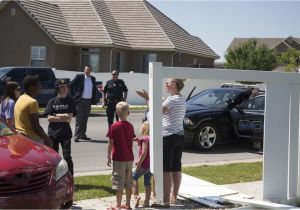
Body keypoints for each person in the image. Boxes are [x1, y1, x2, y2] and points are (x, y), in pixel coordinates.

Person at [136, 78, 187, 207]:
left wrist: (147, 98)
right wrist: (149, 99)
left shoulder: (171, 100)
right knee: (176, 168)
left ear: (174, 85)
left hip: (168, 136)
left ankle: (164, 202)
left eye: (168, 83)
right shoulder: (182, 99)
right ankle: (173, 196)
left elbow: (154, 114)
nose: (166, 84)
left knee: (166, 170)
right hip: (180, 136)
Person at [107, 101, 136, 209]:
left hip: (118, 158)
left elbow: (110, 143)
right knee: (128, 182)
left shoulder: (114, 126)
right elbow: (132, 141)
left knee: (119, 182)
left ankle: (118, 204)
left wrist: (108, 156)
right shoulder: (130, 126)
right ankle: (128, 204)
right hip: (129, 157)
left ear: (116, 113)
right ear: (128, 113)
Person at [44, 79, 76, 175]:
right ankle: (55, 178)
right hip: (53, 133)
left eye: (66, 86)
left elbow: (69, 118)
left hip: (65, 133)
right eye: (63, 87)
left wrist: (55, 114)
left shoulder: (70, 101)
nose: (66, 88)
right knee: (54, 157)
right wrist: (63, 116)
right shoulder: (52, 101)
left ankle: (71, 178)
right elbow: (49, 118)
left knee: (67, 156)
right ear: (58, 89)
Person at [14, 75, 52, 147]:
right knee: (50, 150)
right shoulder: (32, 102)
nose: (41, 88)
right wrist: (48, 140)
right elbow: (36, 126)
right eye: (39, 86)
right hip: (30, 137)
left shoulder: (20, 98)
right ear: (31, 88)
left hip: (19, 135)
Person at [70, 65, 97, 142]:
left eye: (89, 70)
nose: (88, 71)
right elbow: (71, 84)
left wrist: (93, 99)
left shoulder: (93, 78)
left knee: (85, 119)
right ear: (84, 70)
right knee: (79, 119)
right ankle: (76, 136)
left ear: (91, 70)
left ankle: (83, 135)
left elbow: (93, 89)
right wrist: (74, 96)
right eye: (86, 70)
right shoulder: (79, 77)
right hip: (80, 101)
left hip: (88, 101)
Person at [132, 121, 152, 208]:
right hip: (150, 165)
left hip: (143, 164)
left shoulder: (145, 139)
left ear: (143, 129)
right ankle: (147, 202)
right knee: (147, 182)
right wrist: (138, 140)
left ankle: (136, 196)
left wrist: (139, 163)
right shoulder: (151, 139)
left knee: (133, 177)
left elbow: (144, 153)